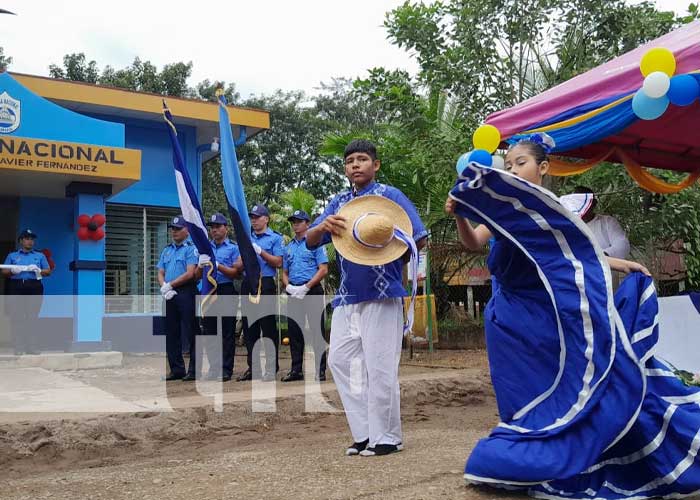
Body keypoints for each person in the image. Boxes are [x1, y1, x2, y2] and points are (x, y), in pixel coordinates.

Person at [446, 133, 700, 497]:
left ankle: (569, 457)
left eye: (521, 162)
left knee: (566, 386)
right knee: (516, 389)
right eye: (509, 164)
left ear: (543, 167)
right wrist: (460, 217)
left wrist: (621, 264)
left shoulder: (551, 209)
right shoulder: (504, 210)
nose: (514, 168)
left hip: (545, 317)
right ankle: (528, 458)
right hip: (504, 317)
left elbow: (578, 256)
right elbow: (473, 242)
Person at [306, 139, 428, 457]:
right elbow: (309, 240)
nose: (356, 165)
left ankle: (387, 436)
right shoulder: (339, 202)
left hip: (383, 292)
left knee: (380, 366)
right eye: (350, 161)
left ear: (376, 165)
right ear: (345, 168)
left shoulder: (391, 196)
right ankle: (364, 432)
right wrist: (322, 226)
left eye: (362, 159)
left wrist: (386, 257)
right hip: (347, 295)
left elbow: (418, 238)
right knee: (340, 361)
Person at [235, 204, 284, 382]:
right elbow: (237, 266)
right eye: (252, 218)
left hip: (266, 283)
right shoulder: (247, 238)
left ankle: (271, 369)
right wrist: (246, 251)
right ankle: (253, 368)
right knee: (250, 328)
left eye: (257, 217)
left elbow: (278, 262)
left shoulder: (275, 238)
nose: (254, 220)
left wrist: (260, 251)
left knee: (268, 327)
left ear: (266, 219)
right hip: (249, 282)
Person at [281, 209, 329, 382]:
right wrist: (289, 287)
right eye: (293, 221)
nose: (295, 224)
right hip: (294, 291)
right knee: (294, 331)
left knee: (317, 330)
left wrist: (307, 287)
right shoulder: (289, 247)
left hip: (312, 289)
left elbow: (323, 269)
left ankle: (320, 370)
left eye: (299, 221)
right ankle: (296, 370)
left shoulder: (316, 243)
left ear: (307, 224)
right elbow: (284, 272)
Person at [198, 213, 243, 382]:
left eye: (218, 226)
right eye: (212, 227)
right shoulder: (205, 249)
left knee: (227, 332)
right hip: (208, 291)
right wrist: (201, 264)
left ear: (226, 228)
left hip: (225, 289)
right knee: (210, 332)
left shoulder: (233, 248)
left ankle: (226, 369)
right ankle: (213, 368)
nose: (214, 230)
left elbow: (235, 273)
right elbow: (197, 274)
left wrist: (218, 266)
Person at [157, 215, 199, 381]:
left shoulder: (191, 249)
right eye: (172, 229)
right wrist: (164, 287)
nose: (174, 232)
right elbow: (160, 272)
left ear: (187, 230)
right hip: (169, 294)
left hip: (186, 291)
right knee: (171, 332)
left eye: (178, 228)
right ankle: (176, 369)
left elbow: (190, 273)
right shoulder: (167, 250)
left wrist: (170, 285)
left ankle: (194, 370)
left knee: (191, 330)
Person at [2, 229, 51, 355]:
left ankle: (32, 347)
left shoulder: (39, 256)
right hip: (16, 286)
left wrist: (38, 269)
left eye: (32, 239)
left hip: (34, 286)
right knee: (17, 317)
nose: (30, 241)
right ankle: (19, 347)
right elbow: (4, 272)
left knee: (32, 317)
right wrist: (13, 271)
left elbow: (48, 271)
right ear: (21, 241)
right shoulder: (12, 256)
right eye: (27, 238)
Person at [573, 185, 630, 259]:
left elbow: (622, 245)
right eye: (576, 203)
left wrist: (600, 256)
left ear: (593, 204)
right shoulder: (567, 225)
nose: (580, 206)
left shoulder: (607, 222)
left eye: (584, 203)